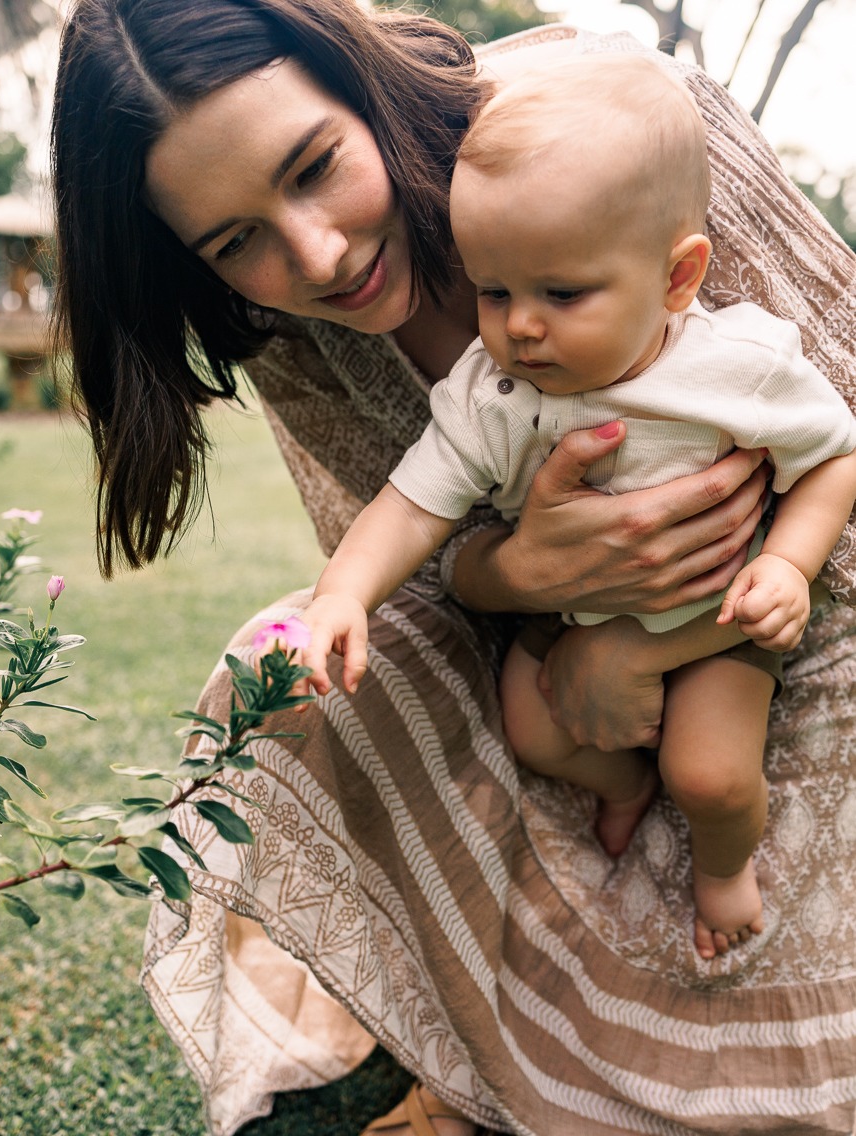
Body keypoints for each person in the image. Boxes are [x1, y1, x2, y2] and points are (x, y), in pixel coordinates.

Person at [50, 2, 856, 1134]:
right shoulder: (298, 322)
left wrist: (652, 640)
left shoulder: (633, 136)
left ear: (356, 79)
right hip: (556, 680)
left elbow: (843, 445)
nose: (316, 253)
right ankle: (527, 997)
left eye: (317, 165)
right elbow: (402, 568)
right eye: (234, 240)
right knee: (280, 673)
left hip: (796, 635)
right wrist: (529, 586)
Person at [294, 54, 856, 962]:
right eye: (496, 290)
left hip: (714, 621)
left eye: (563, 293)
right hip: (566, 618)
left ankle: (722, 870)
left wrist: (787, 562)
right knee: (532, 726)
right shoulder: (491, 395)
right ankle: (622, 783)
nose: (520, 326)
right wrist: (341, 595)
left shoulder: (736, 368)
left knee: (710, 774)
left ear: (677, 280)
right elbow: (410, 506)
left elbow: (835, 457)